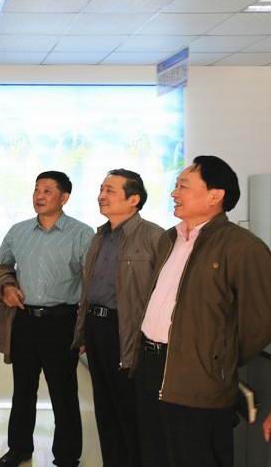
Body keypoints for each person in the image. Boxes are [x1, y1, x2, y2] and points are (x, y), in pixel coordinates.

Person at [135, 155, 271, 467]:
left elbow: (260, 322)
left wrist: (216, 358)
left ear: (215, 195)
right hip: (151, 368)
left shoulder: (242, 247)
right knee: (155, 454)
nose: (174, 193)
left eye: (183, 186)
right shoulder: (169, 239)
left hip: (199, 380)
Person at [0, 171, 94, 467]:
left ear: (64, 197)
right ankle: (19, 448)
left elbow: (92, 282)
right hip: (24, 320)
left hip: (62, 321)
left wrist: (85, 329)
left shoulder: (82, 234)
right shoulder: (19, 231)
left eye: (47, 190)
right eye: (36, 189)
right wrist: (7, 287)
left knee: (64, 391)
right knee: (22, 389)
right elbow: (2, 268)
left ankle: (67, 455)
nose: (39, 196)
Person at [71, 169, 163, 467]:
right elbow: (90, 288)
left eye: (110, 190)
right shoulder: (100, 236)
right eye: (101, 189)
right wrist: (83, 331)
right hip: (97, 328)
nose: (102, 195)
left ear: (133, 199)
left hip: (127, 331)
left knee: (130, 411)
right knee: (105, 408)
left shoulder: (154, 236)